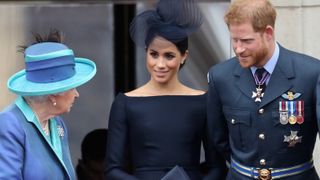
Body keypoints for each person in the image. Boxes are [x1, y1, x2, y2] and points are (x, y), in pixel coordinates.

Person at [106, 0, 227, 179]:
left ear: (184, 56)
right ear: (146, 52)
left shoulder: (203, 102)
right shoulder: (125, 103)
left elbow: (218, 167)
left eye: (169, 56)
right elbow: (113, 169)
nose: (160, 64)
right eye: (154, 54)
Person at [206, 0, 320, 179]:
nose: (238, 49)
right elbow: (217, 139)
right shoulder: (220, 76)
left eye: (246, 40)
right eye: (234, 40)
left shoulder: (311, 73)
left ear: (268, 33)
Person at [0, 30, 96, 179]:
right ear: (54, 93)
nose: (77, 94)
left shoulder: (57, 124)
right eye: (72, 87)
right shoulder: (10, 124)